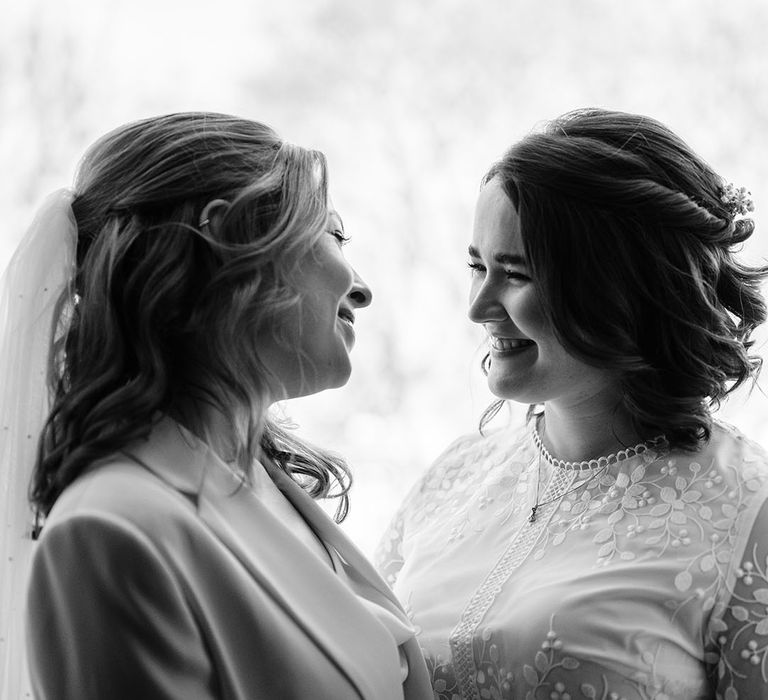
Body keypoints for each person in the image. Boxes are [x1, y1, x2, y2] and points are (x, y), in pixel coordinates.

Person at [0, 112, 433, 699]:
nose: (361, 286)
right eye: (333, 235)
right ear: (230, 240)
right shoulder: (109, 532)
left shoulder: (269, 482)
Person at [376, 108, 768, 700]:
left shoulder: (750, 513)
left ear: (621, 287)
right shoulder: (453, 476)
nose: (479, 307)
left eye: (515, 273)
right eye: (476, 266)